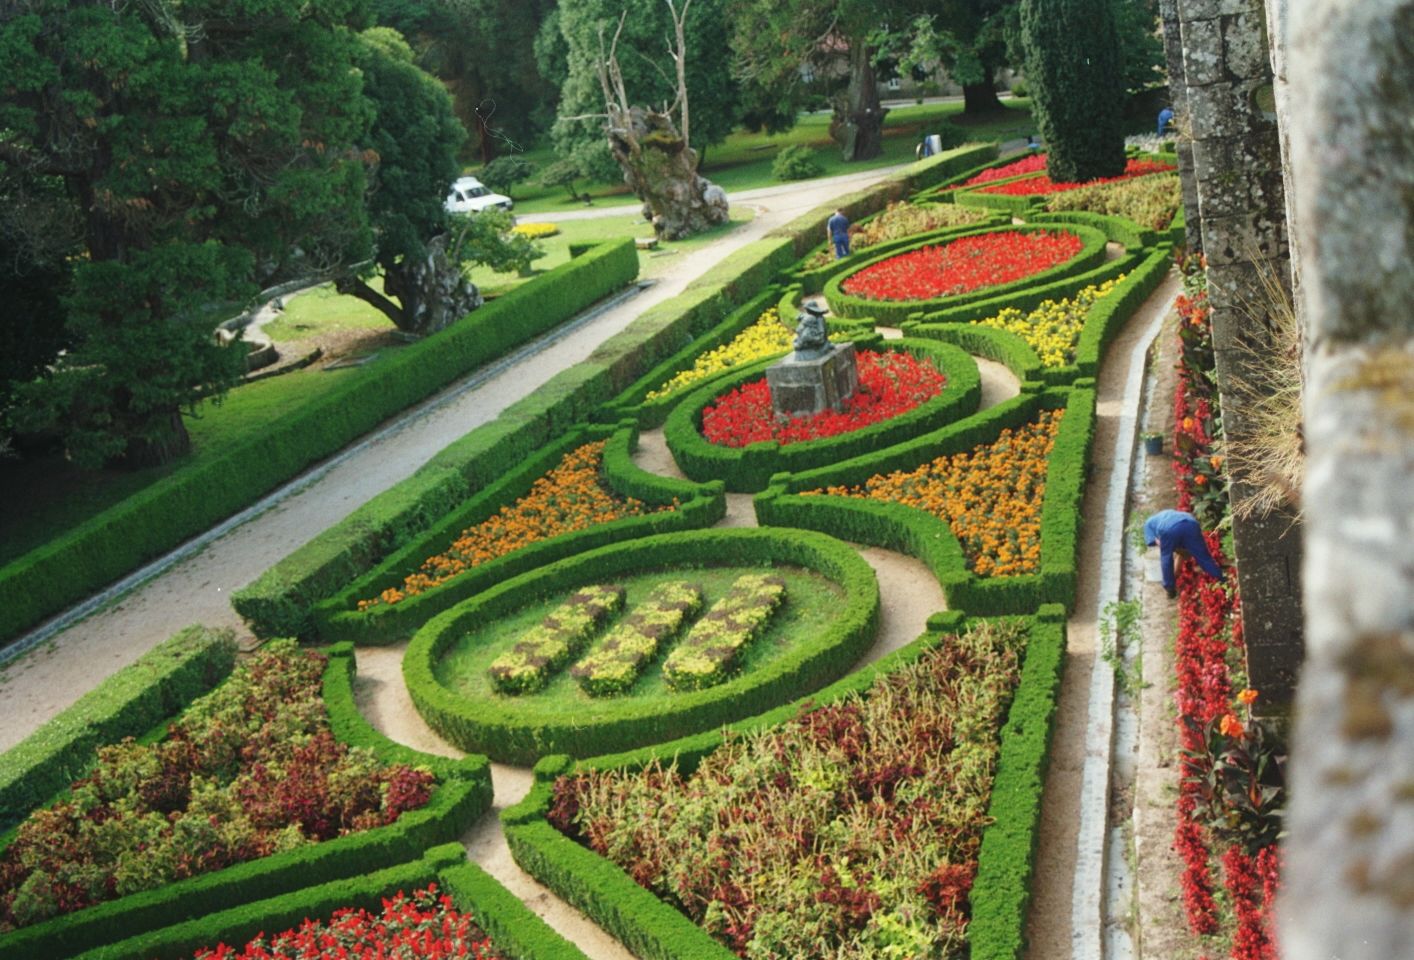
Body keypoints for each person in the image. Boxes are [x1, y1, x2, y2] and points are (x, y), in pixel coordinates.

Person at [1143, 509, 1226, 599]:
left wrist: (1169, 549)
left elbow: (1154, 542)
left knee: (1166, 558)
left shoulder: (1148, 524)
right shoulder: (1165, 514)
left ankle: (1170, 588)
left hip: (1169, 529)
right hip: (1191, 524)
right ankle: (1221, 578)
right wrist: (1181, 552)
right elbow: (1181, 538)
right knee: (1204, 557)